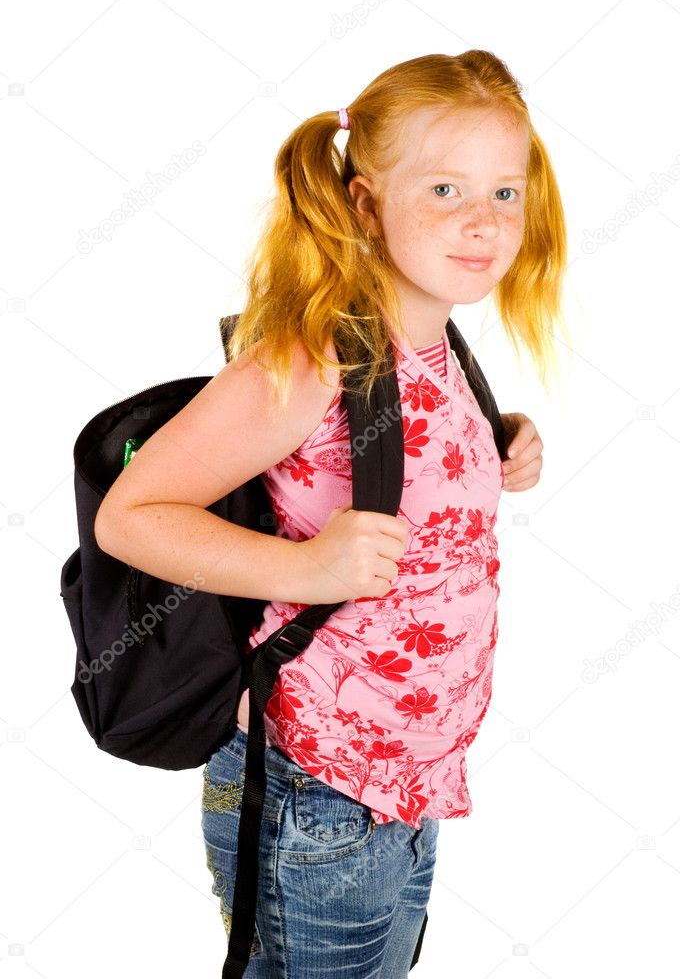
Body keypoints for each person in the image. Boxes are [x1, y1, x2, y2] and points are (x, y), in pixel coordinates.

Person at [94, 50, 565, 976]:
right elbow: (132, 514)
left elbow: (405, 462)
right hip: (317, 785)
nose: (484, 221)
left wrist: (500, 439)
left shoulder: (444, 345)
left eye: (506, 193)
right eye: (443, 189)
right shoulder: (313, 358)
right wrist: (308, 570)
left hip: (410, 783)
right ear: (363, 203)